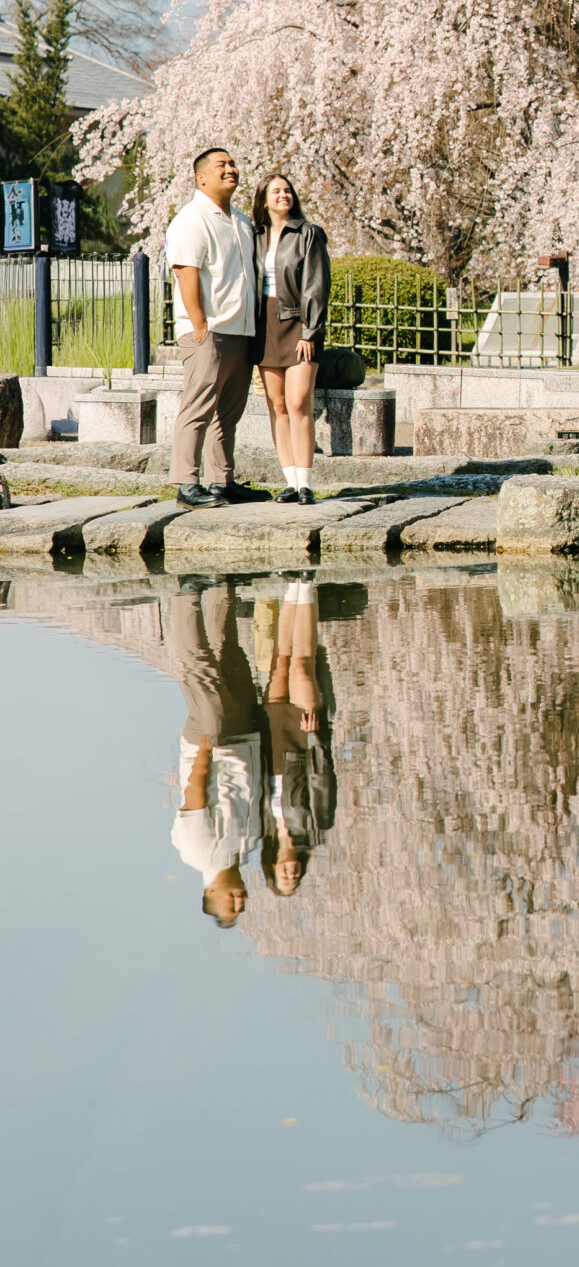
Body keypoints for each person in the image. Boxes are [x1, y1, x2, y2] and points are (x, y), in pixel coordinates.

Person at [165, 148, 263, 509]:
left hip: (240, 329)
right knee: (199, 407)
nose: (231, 169)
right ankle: (187, 483)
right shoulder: (191, 219)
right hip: (207, 330)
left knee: (229, 412)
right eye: (221, 165)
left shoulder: (239, 221)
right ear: (201, 177)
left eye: (233, 164)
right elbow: (185, 270)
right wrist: (200, 324)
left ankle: (221, 481)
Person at [167, 578, 263, 927]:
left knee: (201, 669)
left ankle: (186, 595)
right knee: (232, 656)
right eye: (241, 903)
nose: (240, 899)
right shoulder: (245, 850)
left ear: (210, 894)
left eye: (231, 903)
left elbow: (195, 798)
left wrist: (205, 751)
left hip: (214, 745)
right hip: (243, 741)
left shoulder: (196, 853)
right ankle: (225, 589)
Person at [252, 172, 331, 504]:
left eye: (287, 190)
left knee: (299, 401)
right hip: (263, 324)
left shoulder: (308, 233)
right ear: (264, 199)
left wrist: (310, 330)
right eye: (275, 191)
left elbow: (317, 283)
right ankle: (289, 480)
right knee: (277, 405)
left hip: (298, 324)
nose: (283, 195)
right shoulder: (255, 235)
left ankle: (306, 484)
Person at [259, 579, 336, 897]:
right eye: (294, 879)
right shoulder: (316, 830)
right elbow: (324, 782)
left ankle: (290, 585)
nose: (292, 874)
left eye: (284, 877)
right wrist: (316, 740)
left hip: (273, 747)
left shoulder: (262, 831)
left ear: (273, 867)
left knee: (280, 663)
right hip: (302, 743)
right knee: (302, 668)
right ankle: (305, 583)